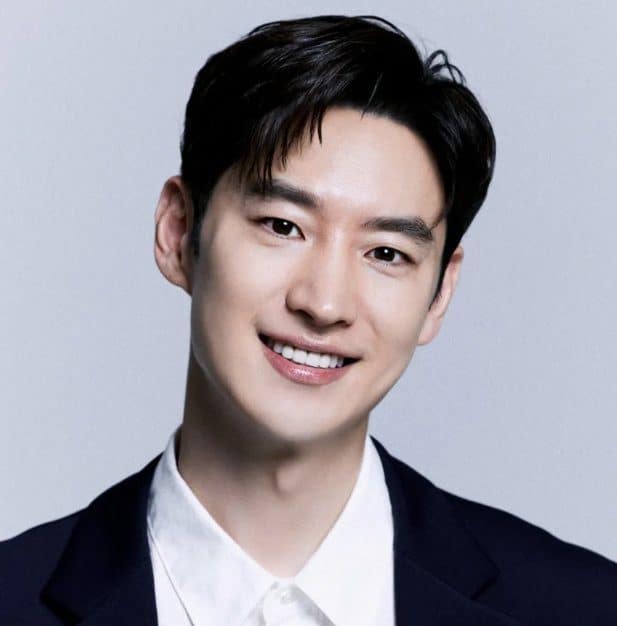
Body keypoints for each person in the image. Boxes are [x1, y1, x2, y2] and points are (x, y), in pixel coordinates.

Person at [1, 14, 615, 626]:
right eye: (282, 226)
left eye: (386, 254)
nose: (324, 304)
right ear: (179, 231)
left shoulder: (584, 608)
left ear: (439, 293)